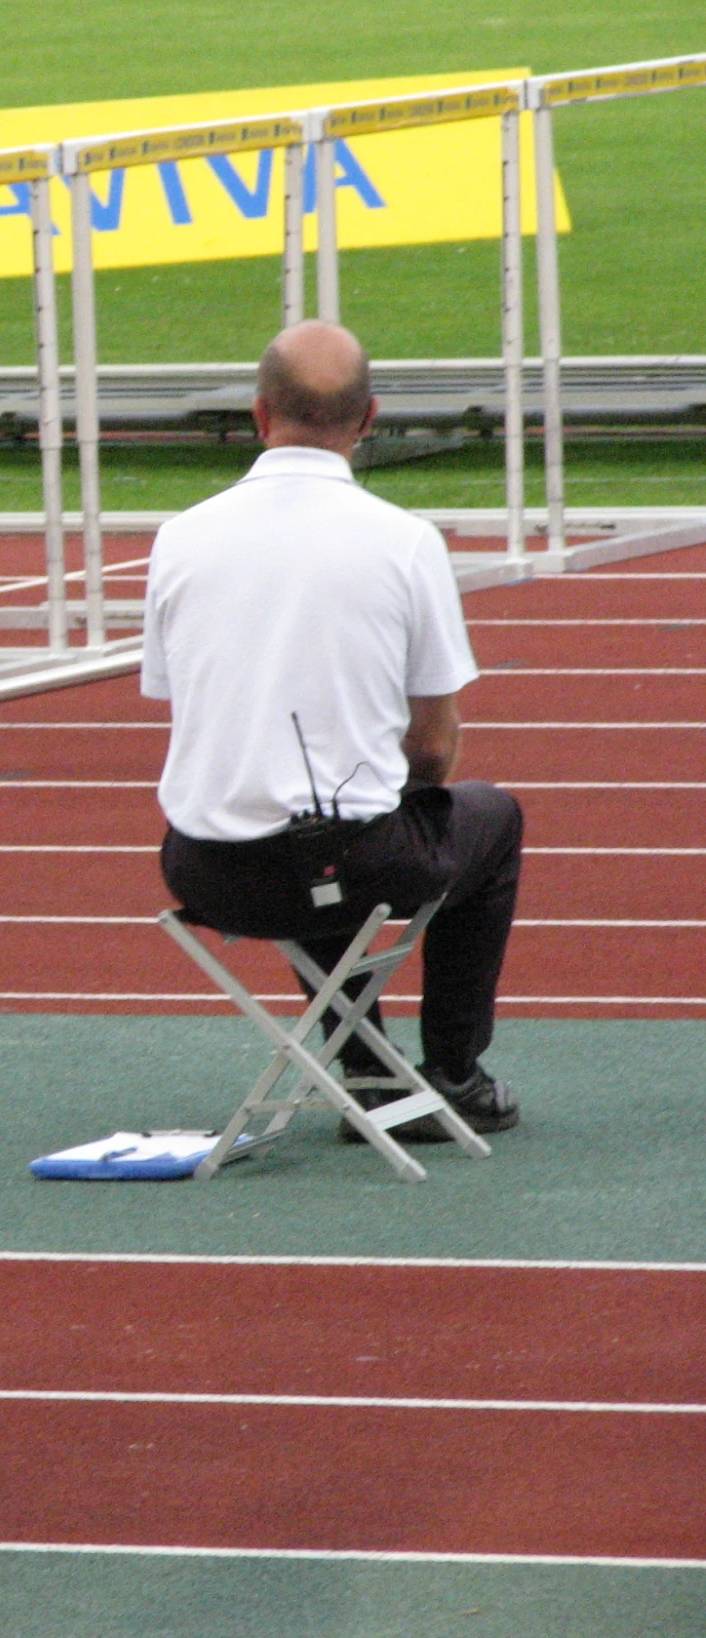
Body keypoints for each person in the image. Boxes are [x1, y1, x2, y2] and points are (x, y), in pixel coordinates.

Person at [143, 320, 524, 1139]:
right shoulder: (405, 544)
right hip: (345, 865)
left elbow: (187, 703)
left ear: (257, 414)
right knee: (476, 820)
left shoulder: (179, 539)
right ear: (369, 418)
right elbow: (432, 747)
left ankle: (361, 1067)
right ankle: (452, 1071)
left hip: (203, 868)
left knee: (314, 820)